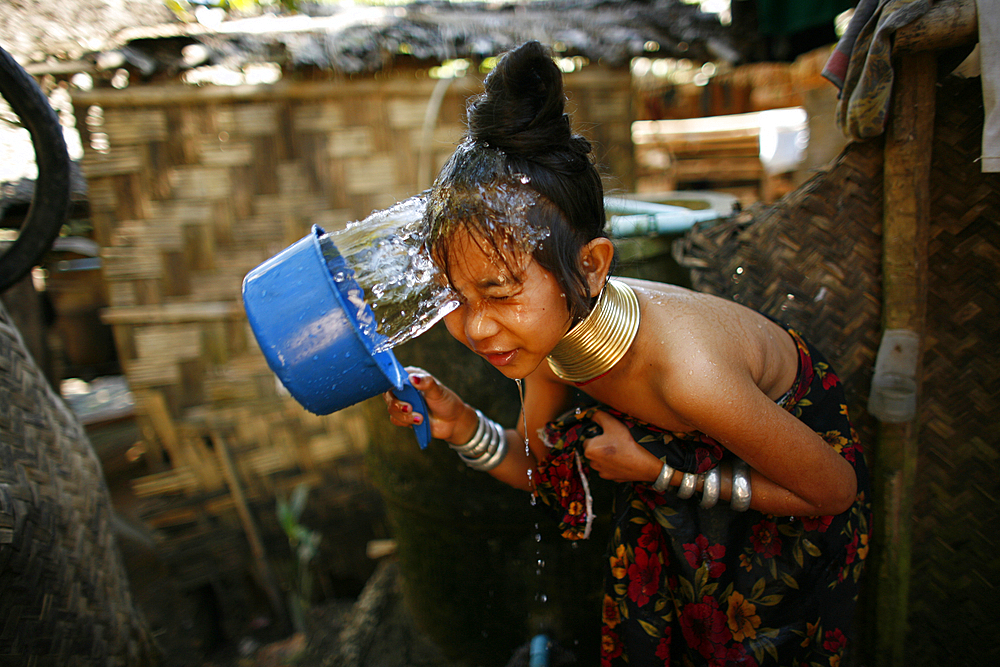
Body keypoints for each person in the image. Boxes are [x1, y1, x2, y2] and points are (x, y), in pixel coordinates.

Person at [384, 41, 871, 667]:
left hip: (786, 538)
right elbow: (540, 471)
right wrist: (459, 425)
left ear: (589, 267)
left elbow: (834, 492)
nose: (477, 328)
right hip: (700, 528)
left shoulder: (689, 376)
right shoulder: (558, 345)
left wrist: (657, 474)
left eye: (501, 293)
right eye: (455, 297)